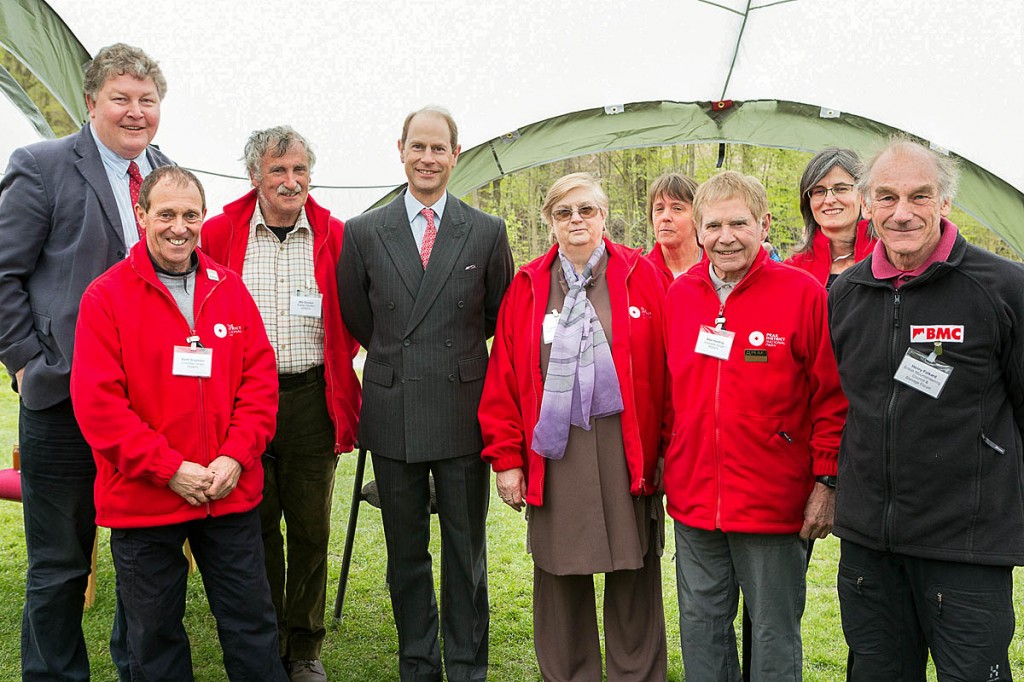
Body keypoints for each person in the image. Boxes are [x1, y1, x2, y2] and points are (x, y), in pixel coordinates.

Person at [70, 166, 287, 681]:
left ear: (203, 218)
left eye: (191, 215)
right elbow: (99, 406)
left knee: (253, 626)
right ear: (142, 215)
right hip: (146, 501)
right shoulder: (106, 297)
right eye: (166, 214)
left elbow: (259, 385)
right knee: (155, 637)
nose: (179, 226)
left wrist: (234, 456)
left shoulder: (229, 290)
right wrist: (169, 469)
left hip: (226, 493)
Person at [0, 43, 172, 680]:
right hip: (62, 400)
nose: (135, 113)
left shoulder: (169, 178)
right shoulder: (41, 165)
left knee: (143, 559)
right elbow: (4, 275)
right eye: (121, 99)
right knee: (59, 564)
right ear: (91, 102)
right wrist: (26, 362)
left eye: (146, 100)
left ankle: (141, 670)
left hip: (149, 408)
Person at [829, 138, 1024, 681]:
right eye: (886, 197)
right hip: (870, 546)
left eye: (920, 196)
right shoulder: (846, 293)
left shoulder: (1002, 288)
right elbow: (842, 405)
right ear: (866, 206)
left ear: (945, 203)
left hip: (965, 544)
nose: (903, 212)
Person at [337, 105, 514, 682]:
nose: (428, 158)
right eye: (419, 147)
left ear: (455, 155)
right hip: (392, 412)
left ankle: (466, 666)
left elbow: (496, 316)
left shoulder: (486, 230)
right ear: (401, 150)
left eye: (439, 149)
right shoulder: (363, 232)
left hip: (463, 412)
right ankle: (417, 662)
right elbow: (359, 318)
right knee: (405, 555)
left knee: (467, 555)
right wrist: (398, 357)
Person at [479, 172, 668, 681]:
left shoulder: (641, 274)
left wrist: (668, 449)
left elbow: (669, 369)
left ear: (604, 215)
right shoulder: (529, 285)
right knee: (559, 577)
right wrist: (507, 460)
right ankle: (568, 672)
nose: (577, 221)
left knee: (635, 572)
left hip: (627, 450)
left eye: (586, 210)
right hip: (556, 456)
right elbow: (504, 375)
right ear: (550, 223)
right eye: (564, 213)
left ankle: (636, 674)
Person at [662, 170, 847, 681]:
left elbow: (832, 398)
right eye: (714, 225)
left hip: (774, 504)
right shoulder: (680, 297)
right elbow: (668, 396)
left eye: (738, 223)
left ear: (764, 225)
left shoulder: (802, 293)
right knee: (701, 628)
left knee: (772, 634)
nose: (726, 237)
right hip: (695, 501)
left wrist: (826, 482)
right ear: (698, 231)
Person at [202, 126, 360, 682]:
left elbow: (356, 316)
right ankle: (265, 640)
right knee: (255, 526)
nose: (290, 182)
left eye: (298, 170)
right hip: (242, 404)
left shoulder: (335, 234)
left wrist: (336, 356)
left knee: (311, 527)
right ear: (255, 177)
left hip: (311, 398)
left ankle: (305, 646)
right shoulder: (220, 231)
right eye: (278, 171)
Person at [785, 147, 877, 289]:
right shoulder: (792, 270)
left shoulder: (889, 260)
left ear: (863, 196)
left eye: (841, 188)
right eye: (819, 191)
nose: (829, 200)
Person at [646, 172, 701, 283]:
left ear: (697, 216)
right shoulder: (641, 272)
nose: (665, 217)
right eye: (659, 209)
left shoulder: (718, 269)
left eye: (677, 208)